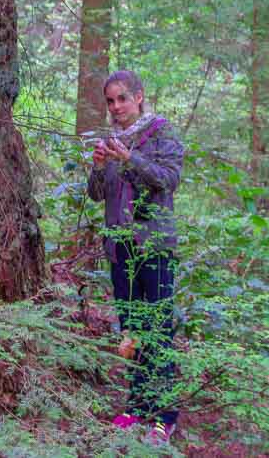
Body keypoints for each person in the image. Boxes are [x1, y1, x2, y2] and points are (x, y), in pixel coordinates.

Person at [86, 70, 184, 444]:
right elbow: (98, 194)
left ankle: (165, 416)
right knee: (131, 330)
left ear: (139, 97)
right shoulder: (110, 139)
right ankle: (137, 406)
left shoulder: (162, 133)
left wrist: (130, 159)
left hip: (154, 245)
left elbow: (169, 179)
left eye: (122, 99)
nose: (116, 107)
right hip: (120, 248)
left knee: (158, 329)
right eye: (110, 101)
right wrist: (98, 166)